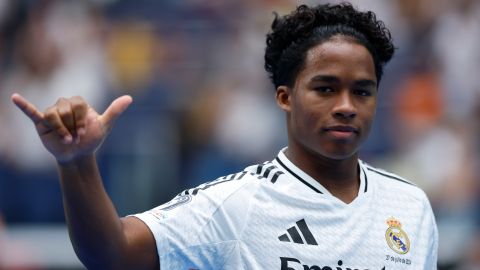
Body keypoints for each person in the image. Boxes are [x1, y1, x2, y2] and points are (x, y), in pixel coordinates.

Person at [11, 2, 438, 269]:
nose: (346, 104)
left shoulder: (411, 206)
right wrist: (76, 162)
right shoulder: (237, 203)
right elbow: (112, 254)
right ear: (285, 97)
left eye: (362, 91)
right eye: (326, 88)